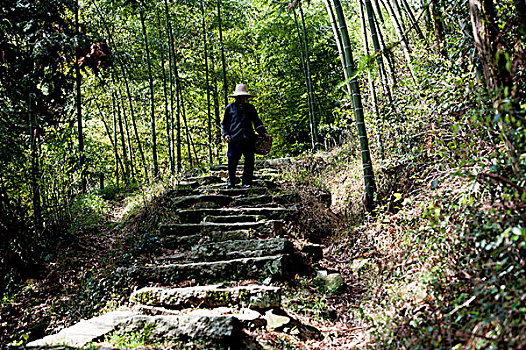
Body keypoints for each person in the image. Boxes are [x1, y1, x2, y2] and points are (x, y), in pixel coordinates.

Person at [221, 84, 271, 188]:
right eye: (241, 97)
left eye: (244, 97)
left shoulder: (250, 108)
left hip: (249, 139)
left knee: (249, 160)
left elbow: (257, 122)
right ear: (236, 97)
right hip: (234, 139)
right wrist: (225, 134)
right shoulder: (229, 108)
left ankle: (247, 181)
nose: (243, 99)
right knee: (232, 160)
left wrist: (264, 133)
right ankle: (231, 180)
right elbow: (224, 124)